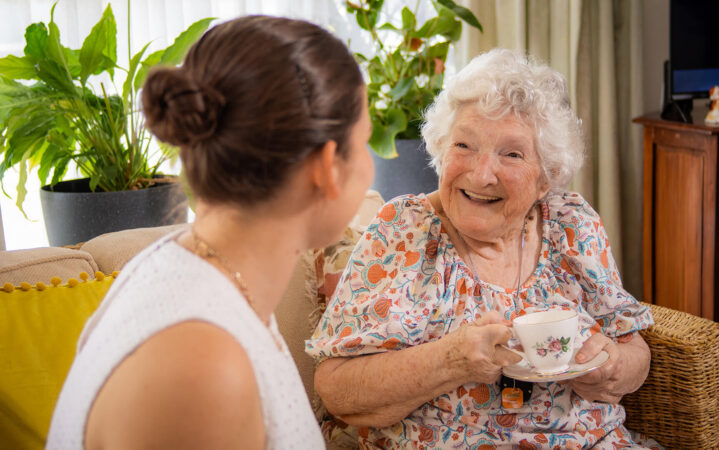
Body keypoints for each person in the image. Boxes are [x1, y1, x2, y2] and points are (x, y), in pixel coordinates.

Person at [46, 15, 373, 449]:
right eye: (367, 141)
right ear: (328, 167)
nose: (370, 168)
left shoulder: (203, 273)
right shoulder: (204, 367)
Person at [307, 49, 659, 449]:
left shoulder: (572, 224)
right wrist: (451, 360)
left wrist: (610, 365)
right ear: (441, 151)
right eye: (464, 146)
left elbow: (633, 346)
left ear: (546, 178)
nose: (482, 174)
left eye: (511, 154)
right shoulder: (404, 231)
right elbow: (335, 388)